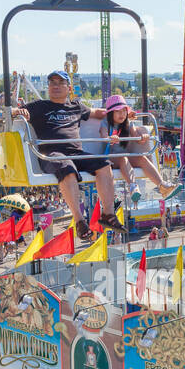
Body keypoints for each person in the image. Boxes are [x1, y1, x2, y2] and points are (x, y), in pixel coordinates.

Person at [12, 71, 119, 241]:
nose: (55, 86)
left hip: (76, 153)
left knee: (104, 165)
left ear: (68, 88)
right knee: (67, 168)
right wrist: (18, 112)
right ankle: (79, 221)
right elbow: (13, 112)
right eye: (52, 82)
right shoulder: (39, 106)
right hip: (51, 154)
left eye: (60, 83)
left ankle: (108, 214)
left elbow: (98, 112)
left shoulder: (76, 106)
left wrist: (121, 113)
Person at [102, 94, 171, 195]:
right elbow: (103, 136)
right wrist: (110, 139)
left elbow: (137, 138)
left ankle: (161, 185)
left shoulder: (127, 123)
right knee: (123, 158)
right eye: (118, 111)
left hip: (124, 155)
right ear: (110, 113)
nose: (122, 114)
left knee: (141, 158)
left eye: (124, 111)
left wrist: (143, 137)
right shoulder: (106, 123)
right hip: (110, 157)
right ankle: (133, 186)